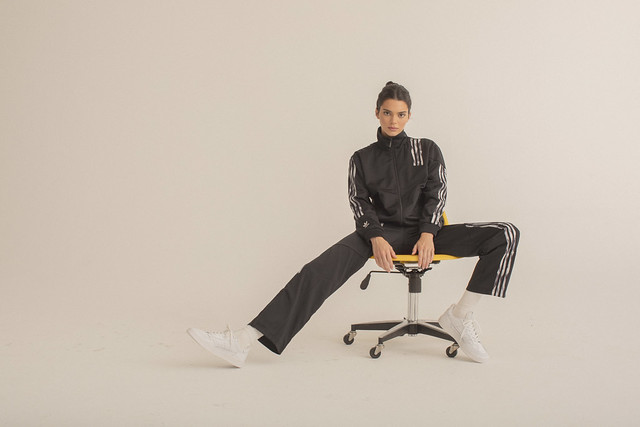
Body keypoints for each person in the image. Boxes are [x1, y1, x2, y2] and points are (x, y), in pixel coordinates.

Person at [187, 81, 520, 367]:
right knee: (316, 271)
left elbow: (437, 193)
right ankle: (242, 340)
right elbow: (359, 201)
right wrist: (375, 236)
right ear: (377, 113)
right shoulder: (362, 158)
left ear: (409, 116)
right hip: (381, 234)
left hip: (427, 234)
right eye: (387, 113)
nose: (393, 120)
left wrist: (428, 233)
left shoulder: (427, 150)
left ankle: (460, 316)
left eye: (401, 114)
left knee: (505, 234)